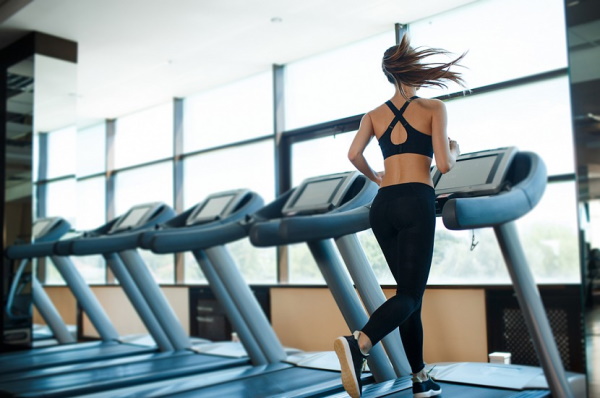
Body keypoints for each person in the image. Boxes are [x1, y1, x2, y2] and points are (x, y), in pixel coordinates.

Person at [333, 35, 466, 398]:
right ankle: (359, 342)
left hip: (383, 205)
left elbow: (353, 154)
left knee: (410, 297)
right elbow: (443, 165)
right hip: (415, 201)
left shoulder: (373, 115)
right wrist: (454, 149)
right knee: (409, 294)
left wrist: (375, 176)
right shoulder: (434, 109)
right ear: (413, 72)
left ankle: (420, 378)